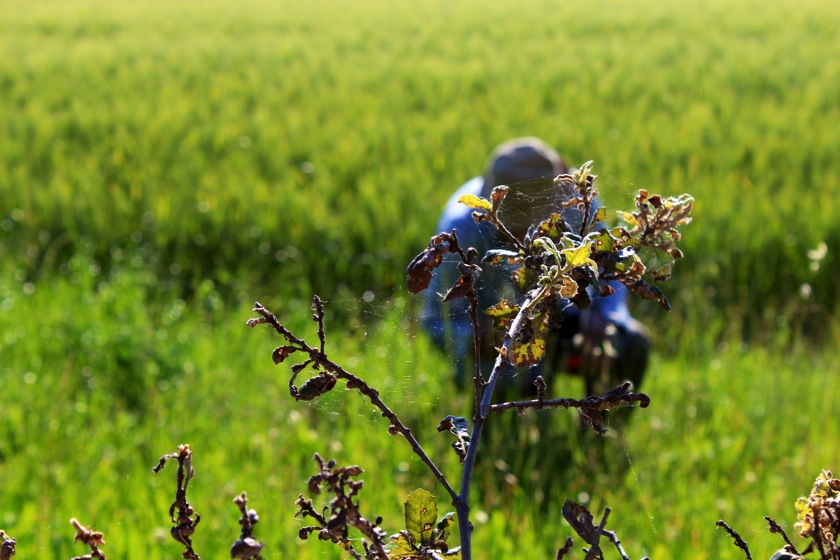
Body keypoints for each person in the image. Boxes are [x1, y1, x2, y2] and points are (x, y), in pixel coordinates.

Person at [420, 137, 650, 398]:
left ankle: (597, 421)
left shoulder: (579, 200)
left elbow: (609, 264)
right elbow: (434, 321)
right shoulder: (460, 229)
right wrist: (478, 339)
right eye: (515, 232)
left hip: (562, 320)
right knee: (506, 395)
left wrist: (603, 321)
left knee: (629, 344)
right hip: (495, 342)